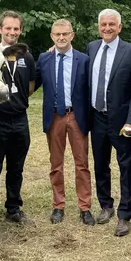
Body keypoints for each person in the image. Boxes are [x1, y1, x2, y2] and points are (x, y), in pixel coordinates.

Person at [87, 9, 131, 237]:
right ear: (98, 27)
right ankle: (106, 205)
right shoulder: (92, 48)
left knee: (126, 167)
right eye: (103, 25)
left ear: (119, 27)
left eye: (112, 24)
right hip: (97, 117)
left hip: (122, 121)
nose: (107, 28)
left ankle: (124, 214)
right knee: (101, 163)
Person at [0, 10, 36, 236]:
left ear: (20, 30)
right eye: (8, 28)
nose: (12, 32)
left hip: (20, 119)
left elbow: (30, 86)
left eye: (16, 28)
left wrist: (17, 102)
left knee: (16, 168)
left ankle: (13, 208)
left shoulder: (26, 56)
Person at [35, 19, 93, 225]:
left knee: (82, 163)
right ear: (52, 36)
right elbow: (32, 85)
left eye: (65, 34)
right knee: (56, 164)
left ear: (72, 35)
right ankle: (58, 205)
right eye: (57, 34)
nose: (61, 37)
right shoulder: (44, 59)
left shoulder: (84, 60)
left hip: (76, 116)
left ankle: (85, 207)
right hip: (54, 116)